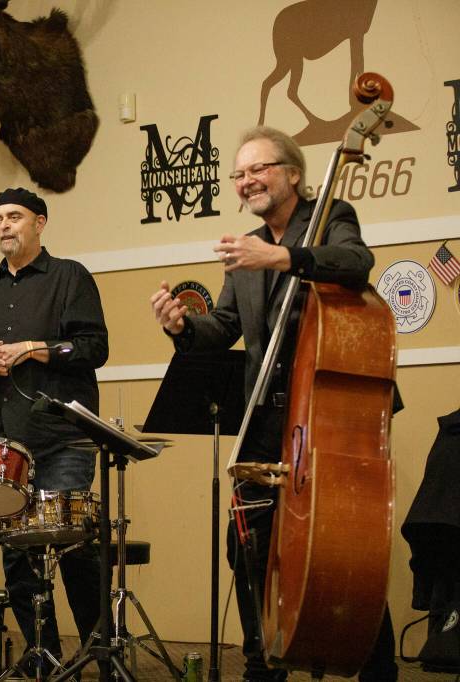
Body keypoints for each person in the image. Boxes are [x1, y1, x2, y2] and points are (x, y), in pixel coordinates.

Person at [149, 127, 397, 682]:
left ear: (292, 174)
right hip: (266, 418)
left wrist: (282, 256)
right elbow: (225, 329)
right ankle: (263, 665)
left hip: (329, 417)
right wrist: (183, 327)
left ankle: (377, 668)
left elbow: (355, 262)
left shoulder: (331, 214)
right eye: (238, 174)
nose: (246, 182)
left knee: (339, 545)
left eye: (257, 169)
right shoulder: (246, 251)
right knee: (249, 548)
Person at [0, 187, 109, 675]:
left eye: (13, 217)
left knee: (70, 546)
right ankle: (46, 658)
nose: (3, 226)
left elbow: (93, 347)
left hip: (62, 438)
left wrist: (31, 349)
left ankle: (98, 653)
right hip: (2, 445)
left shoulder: (70, 277)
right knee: (18, 558)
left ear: (40, 222)